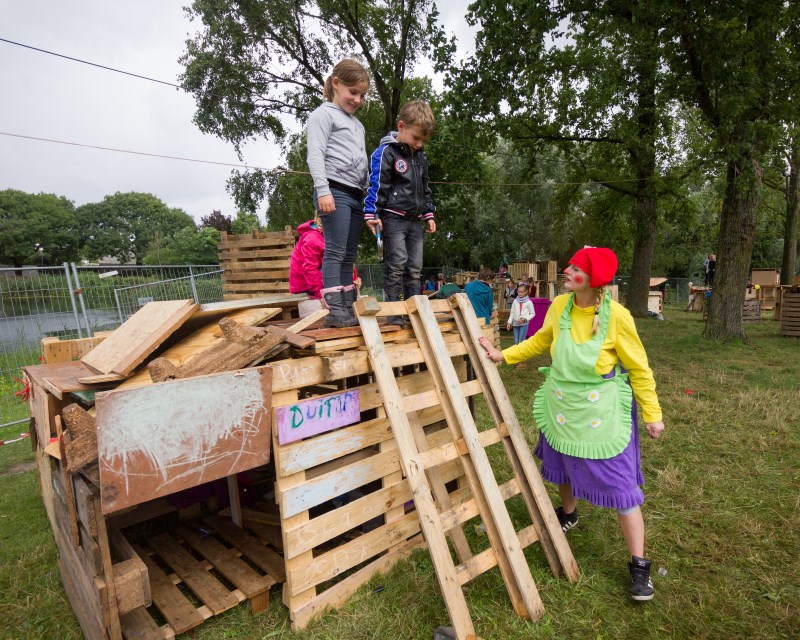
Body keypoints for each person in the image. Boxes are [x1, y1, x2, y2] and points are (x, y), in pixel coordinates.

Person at [478, 246, 665, 602]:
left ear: (592, 279)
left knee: (622, 486)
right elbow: (541, 341)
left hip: (600, 413)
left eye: (575, 268)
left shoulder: (618, 317)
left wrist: (652, 413)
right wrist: (503, 355)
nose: (566, 270)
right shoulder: (561, 307)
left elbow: (639, 369)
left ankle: (639, 565)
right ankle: (569, 513)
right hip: (562, 405)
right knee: (561, 464)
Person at [306, 59, 370, 328]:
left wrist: (368, 199)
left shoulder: (357, 125)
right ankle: (335, 310)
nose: (357, 99)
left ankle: (346, 307)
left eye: (362, 95)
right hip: (334, 190)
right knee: (334, 250)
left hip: (355, 194)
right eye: (352, 92)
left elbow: (362, 160)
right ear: (336, 84)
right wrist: (323, 191)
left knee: (349, 254)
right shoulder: (323, 115)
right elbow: (315, 155)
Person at [364, 100, 437, 325]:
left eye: (423, 140)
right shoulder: (387, 152)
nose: (418, 144)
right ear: (401, 126)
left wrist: (429, 213)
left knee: (415, 268)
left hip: (415, 221)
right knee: (396, 265)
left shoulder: (420, 156)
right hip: (393, 218)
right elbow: (377, 184)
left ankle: (414, 314)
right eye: (416, 138)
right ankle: (394, 313)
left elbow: (424, 188)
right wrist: (371, 212)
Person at [289, 216, 359, 299]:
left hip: (321, 282)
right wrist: (322, 295)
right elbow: (310, 269)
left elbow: (343, 260)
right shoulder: (311, 239)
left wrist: (354, 279)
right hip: (305, 288)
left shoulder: (333, 237)